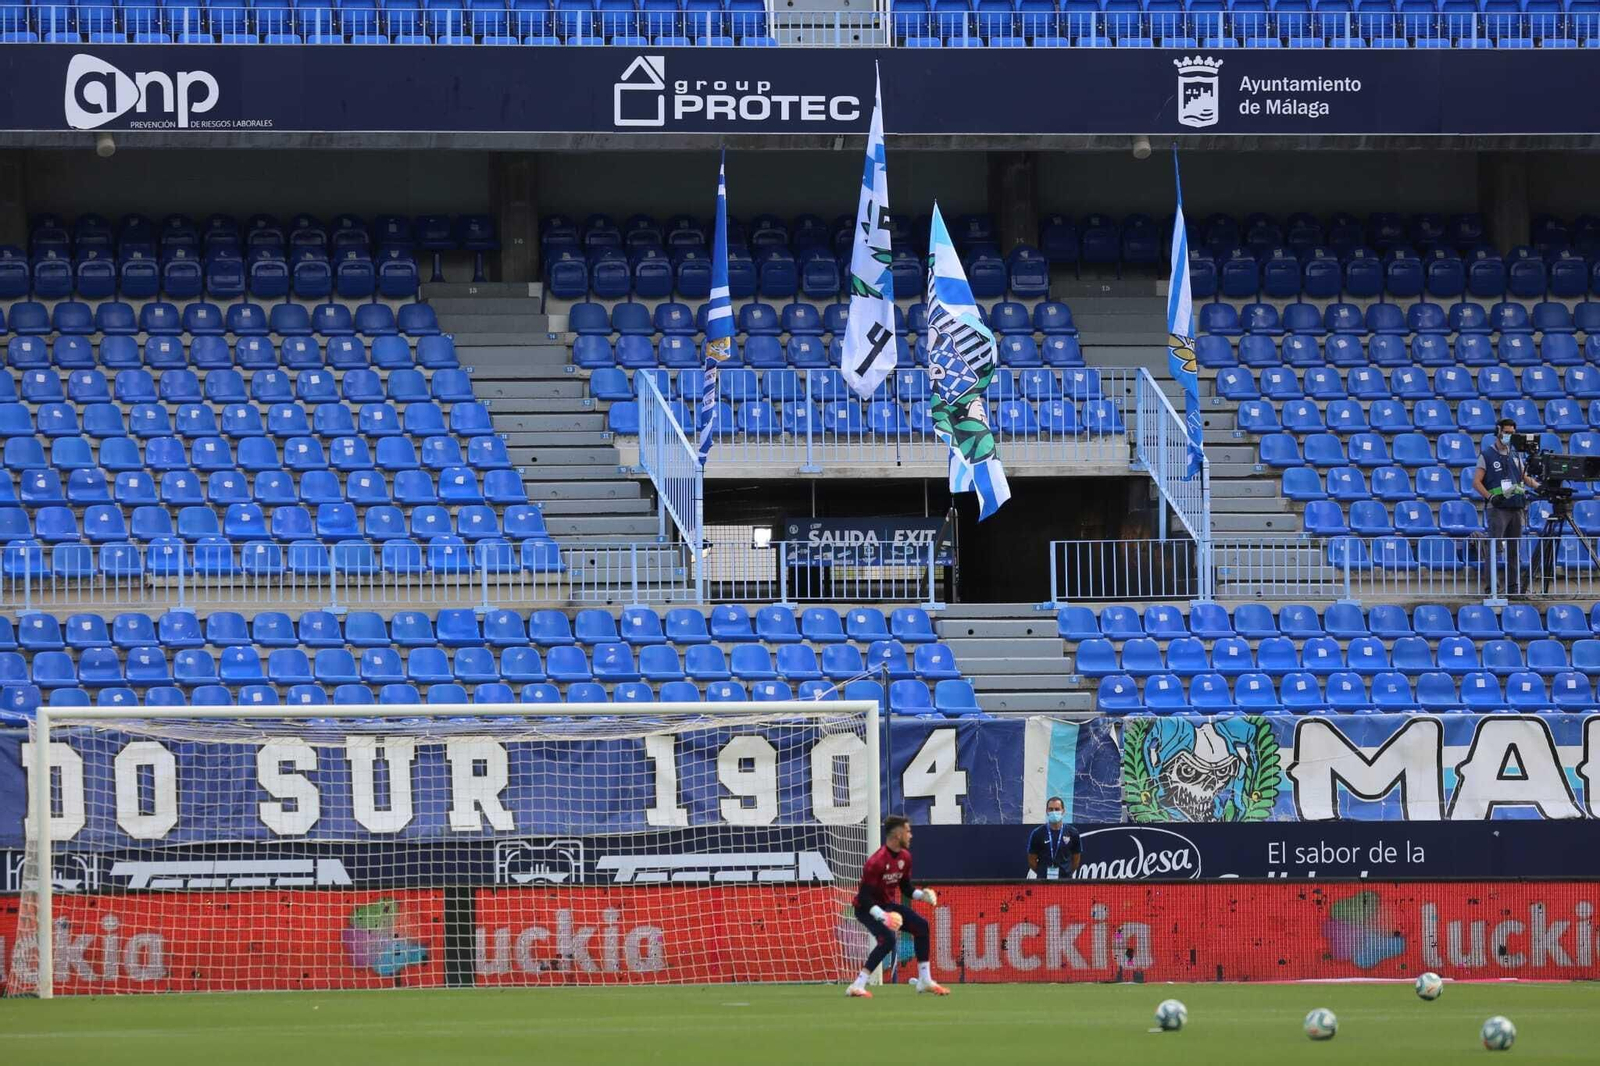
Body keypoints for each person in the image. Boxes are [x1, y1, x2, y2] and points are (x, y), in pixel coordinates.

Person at [846, 814, 948, 998]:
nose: (911, 835)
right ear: (898, 835)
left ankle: (924, 980)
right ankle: (857, 984)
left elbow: (906, 888)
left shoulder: (906, 857)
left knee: (921, 926)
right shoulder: (876, 862)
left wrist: (922, 895)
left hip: (887, 905)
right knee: (888, 940)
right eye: (908, 831)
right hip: (866, 908)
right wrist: (882, 916)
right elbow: (864, 896)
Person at [1472, 418, 1540, 594]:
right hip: (1498, 507)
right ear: (1498, 431)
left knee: (1514, 550)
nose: (1509, 436)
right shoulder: (1486, 455)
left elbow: (1524, 478)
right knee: (1494, 549)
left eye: (1512, 433)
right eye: (1506, 432)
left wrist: (1540, 487)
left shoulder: (1516, 455)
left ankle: (1513, 587)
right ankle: (1492, 588)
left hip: (1516, 506)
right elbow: (1477, 482)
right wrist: (1490, 497)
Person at [1027, 796, 1082, 880]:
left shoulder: (1073, 833)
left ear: (1063, 811)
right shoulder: (1037, 833)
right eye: (1051, 809)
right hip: (1043, 881)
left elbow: (1076, 859)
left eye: (1057, 809)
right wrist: (1042, 873)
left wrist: (1067, 873)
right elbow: (1031, 860)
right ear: (1047, 811)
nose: (1054, 812)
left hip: (1065, 882)